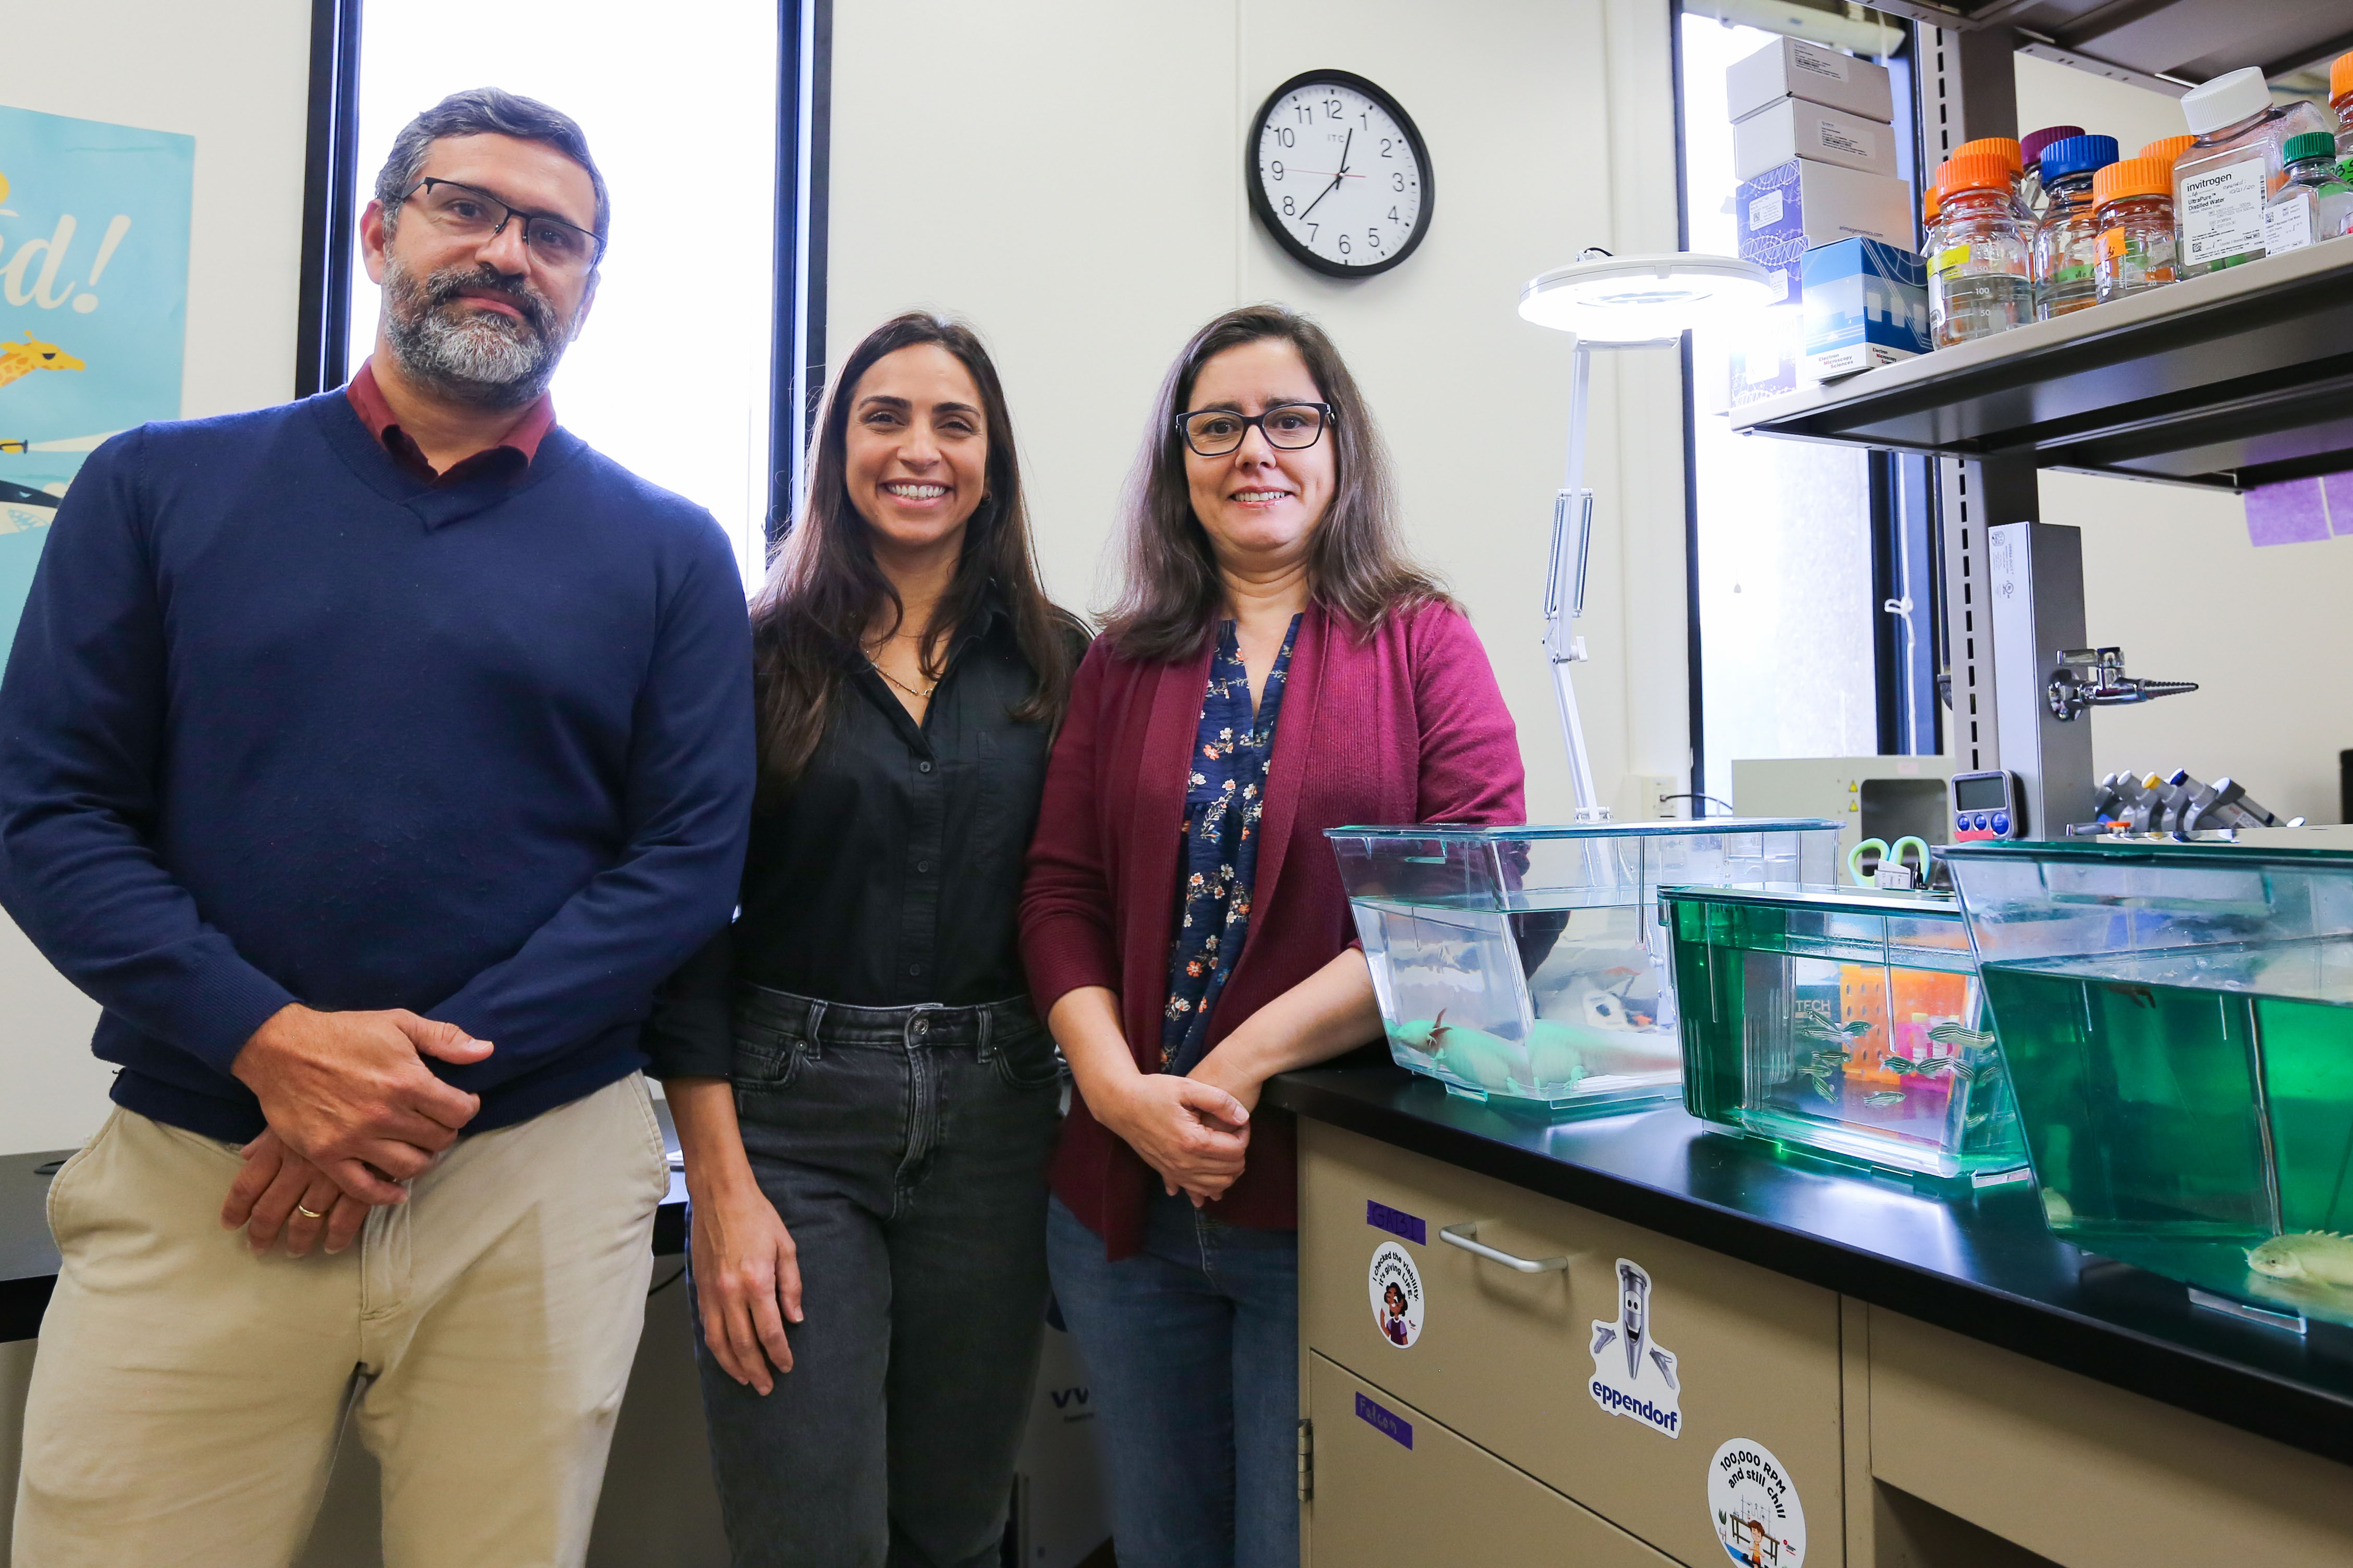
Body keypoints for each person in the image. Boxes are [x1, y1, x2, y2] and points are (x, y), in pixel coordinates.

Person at [0, 88, 754, 1567]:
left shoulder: (669, 552)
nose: (507, 253)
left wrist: (405, 1093)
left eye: (554, 236)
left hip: (531, 1181)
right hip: (211, 1161)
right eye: (466, 209)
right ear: (378, 232)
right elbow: (48, 811)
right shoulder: (154, 487)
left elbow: (680, 870)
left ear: (590, 287)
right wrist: (273, 1043)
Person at [1022, 304, 1525, 1568]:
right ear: (1178, 461)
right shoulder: (1123, 661)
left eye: (1289, 419)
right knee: (1160, 1545)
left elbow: (1464, 896)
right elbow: (1058, 894)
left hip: (1322, 1204)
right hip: (1121, 1211)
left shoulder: (1422, 638)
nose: (1256, 450)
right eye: (1218, 425)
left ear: (1336, 444)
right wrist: (1117, 1094)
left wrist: (1231, 1072)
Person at [644, 311, 1084, 1568]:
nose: (918, 449)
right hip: (790, 1119)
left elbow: (1084, 907)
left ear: (991, 458)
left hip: (999, 1118)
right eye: (883, 417)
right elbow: (686, 935)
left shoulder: (1066, 664)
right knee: (807, 1524)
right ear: (838, 445)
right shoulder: (748, 657)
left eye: (955, 422)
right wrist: (721, 1191)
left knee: (953, 1518)